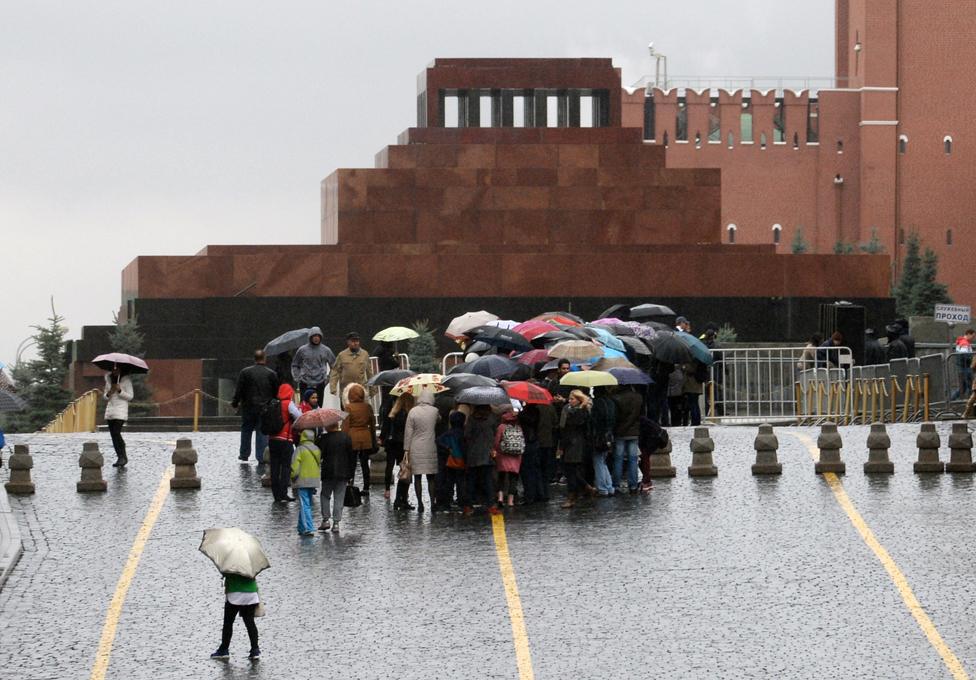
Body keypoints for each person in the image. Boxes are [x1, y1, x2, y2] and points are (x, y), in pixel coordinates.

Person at [232, 350, 279, 464]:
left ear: (254, 358)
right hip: (264, 408)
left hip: (248, 406)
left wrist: (235, 402)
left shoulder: (245, 372)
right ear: (265, 358)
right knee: (261, 431)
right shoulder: (271, 373)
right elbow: (276, 392)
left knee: (246, 430)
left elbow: (239, 390)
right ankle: (261, 456)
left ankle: (244, 454)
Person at [403, 390, 440, 512]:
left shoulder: (413, 412)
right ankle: (433, 502)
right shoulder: (434, 411)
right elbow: (439, 420)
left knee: (417, 477)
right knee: (431, 478)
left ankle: (420, 504)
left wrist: (406, 450)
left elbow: (408, 433)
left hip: (416, 447)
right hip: (430, 446)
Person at [317, 421, 356, 533]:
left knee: (325, 495)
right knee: (339, 497)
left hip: (328, 472)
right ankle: (336, 523)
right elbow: (352, 458)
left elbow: (319, 454)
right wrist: (351, 474)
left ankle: (325, 519)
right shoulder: (346, 437)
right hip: (343, 472)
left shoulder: (323, 439)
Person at [211, 572, 260, 660]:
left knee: (228, 623)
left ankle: (224, 649)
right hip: (251, 594)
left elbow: (226, 572)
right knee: (250, 622)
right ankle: (255, 649)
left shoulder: (231, 563)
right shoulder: (251, 563)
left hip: (234, 593)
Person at [558, 390, 592, 508]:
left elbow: (568, 429)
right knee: (571, 470)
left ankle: (572, 496)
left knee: (571, 470)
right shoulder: (572, 410)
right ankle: (586, 488)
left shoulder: (579, 412)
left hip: (574, 444)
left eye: (572, 399)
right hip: (572, 443)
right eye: (569, 398)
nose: (569, 401)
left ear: (579, 400)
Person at [269, 383, 301, 504]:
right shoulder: (288, 404)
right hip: (285, 440)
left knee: (275, 467)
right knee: (286, 467)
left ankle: (276, 494)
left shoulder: (274, 403)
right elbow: (299, 417)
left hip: (272, 439)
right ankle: (283, 493)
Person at [342, 383, 376, 496]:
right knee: (365, 464)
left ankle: (350, 485)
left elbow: (346, 426)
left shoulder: (348, 407)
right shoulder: (368, 407)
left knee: (351, 464)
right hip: (366, 437)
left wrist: (343, 439)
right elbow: (372, 425)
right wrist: (373, 439)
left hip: (353, 438)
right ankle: (366, 488)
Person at [382, 393, 415, 508]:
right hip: (403, 444)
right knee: (405, 471)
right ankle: (402, 498)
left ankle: (388, 490)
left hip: (392, 443)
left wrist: (382, 438)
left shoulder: (393, 412)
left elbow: (385, 427)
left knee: (389, 466)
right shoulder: (409, 414)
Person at [464, 404, 498, 514]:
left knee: (471, 481)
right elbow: (495, 434)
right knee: (488, 481)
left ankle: (468, 506)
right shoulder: (491, 419)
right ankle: (491, 504)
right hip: (487, 454)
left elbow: (467, 435)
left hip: (473, 454)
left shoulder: (472, 419)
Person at [291, 327, 335, 406]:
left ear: (321, 337)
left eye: (318, 336)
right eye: (314, 336)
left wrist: (327, 379)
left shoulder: (326, 350)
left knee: (318, 407)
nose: (316, 338)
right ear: (310, 337)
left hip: (320, 383)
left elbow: (334, 366)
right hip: (305, 383)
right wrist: (298, 378)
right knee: (305, 406)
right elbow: (295, 365)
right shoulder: (302, 350)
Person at [611, 385, 643, 493]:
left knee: (618, 459)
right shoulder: (638, 397)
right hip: (634, 432)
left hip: (620, 432)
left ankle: (616, 485)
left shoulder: (615, 398)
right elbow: (642, 415)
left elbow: (615, 417)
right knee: (633, 459)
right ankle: (633, 485)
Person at [290, 430, 321, 536]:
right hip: (313, 480)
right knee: (306, 503)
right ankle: (301, 527)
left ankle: (308, 527)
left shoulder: (299, 450)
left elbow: (295, 467)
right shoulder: (317, 449)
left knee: (304, 504)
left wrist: (292, 477)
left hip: (302, 480)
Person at [492, 408, 525, 508]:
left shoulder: (501, 427)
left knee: (501, 477)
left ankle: (500, 498)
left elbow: (497, 442)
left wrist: (495, 450)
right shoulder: (519, 427)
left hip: (503, 455)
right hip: (516, 456)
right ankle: (511, 501)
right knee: (513, 478)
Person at [103, 365, 134, 468]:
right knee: (113, 435)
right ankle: (119, 457)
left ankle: (123, 456)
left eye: (117, 369)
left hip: (120, 410)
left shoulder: (126, 381)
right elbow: (105, 396)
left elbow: (130, 396)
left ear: (121, 369)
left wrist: (120, 391)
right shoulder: (109, 379)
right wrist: (109, 392)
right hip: (110, 410)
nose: (114, 371)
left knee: (116, 433)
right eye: (113, 369)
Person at [330, 332, 374, 404]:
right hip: (346, 391)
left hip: (360, 389)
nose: (355, 343)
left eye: (357, 341)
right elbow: (335, 371)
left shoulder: (365, 354)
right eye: (353, 341)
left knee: (360, 412)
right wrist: (333, 387)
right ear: (348, 342)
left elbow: (369, 372)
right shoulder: (342, 355)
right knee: (346, 413)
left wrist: (372, 390)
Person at [436, 411, 467, 509]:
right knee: (461, 482)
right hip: (462, 461)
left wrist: (447, 448)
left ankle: (447, 501)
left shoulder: (449, 433)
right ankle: (461, 501)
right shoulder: (463, 433)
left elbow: (438, 441)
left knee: (449, 482)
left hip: (451, 462)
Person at [590, 386, 616, 496]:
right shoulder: (611, 402)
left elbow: (594, 421)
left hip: (599, 436)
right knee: (603, 461)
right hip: (609, 435)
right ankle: (609, 487)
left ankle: (602, 488)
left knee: (598, 461)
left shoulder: (596, 404)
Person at [517, 404, 545, 504]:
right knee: (535, 470)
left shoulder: (526, 414)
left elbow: (529, 421)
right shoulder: (536, 411)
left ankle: (529, 496)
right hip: (534, 442)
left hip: (528, 442)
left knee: (527, 471)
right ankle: (539, 494)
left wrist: (519, 414)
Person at [682, 361, 705, 426]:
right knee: (695, 404)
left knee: (693, 405)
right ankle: (697, 420)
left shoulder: (691, 362)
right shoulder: (699, 362)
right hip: (697, 387)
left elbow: (688, 370)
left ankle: (695, 421)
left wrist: (683, 367)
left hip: (691, 387)